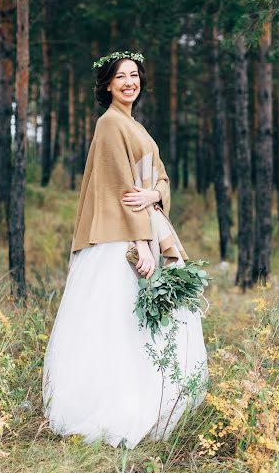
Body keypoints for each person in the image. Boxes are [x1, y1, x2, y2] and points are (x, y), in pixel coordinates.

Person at [42, 51, 209, 449]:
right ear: (107, 85)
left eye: (134, 76)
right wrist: (140, 245)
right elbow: (119, 189)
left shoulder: (135, 125)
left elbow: (160, 179)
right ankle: (114, 404)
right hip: (125, 238)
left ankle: (157, 401)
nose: (129, 82)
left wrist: (155, 192)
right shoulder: (109, 125)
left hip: (144, 228)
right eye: (121, 77)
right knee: (117, 322)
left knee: (145, 324)